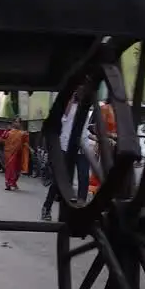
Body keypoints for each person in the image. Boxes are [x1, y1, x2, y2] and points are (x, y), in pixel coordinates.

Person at [42, 90, 93, 220]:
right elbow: (64, 118)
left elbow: (85, 128)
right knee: (60, 180)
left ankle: (80, 209)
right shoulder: (69, 106)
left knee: (84, 178)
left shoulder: (87, 108)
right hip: (66, 146)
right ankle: (46, 208)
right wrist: (72, 94)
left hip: (82, 146)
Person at [2, 117, 29, 190]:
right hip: (9, 153)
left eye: (18, 122)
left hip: (18, 153)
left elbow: (25, 143)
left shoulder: (23, 133)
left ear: (20, 124)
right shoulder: (9, 132)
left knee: (17, 169)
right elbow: (3, 138)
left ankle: (13, 182)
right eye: (16, 122)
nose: (17, 123)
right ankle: (8, 183)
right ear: (13, 123)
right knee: (10, 168)